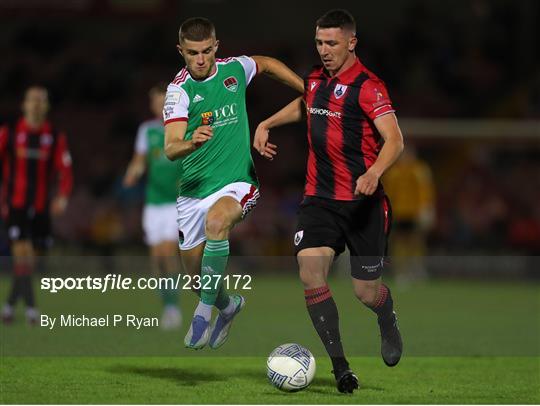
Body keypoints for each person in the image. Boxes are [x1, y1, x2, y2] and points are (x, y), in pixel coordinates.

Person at [254, 9, 404, 393]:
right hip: (319, 201)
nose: (324, 50)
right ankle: (341, 369)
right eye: (319, 42)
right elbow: (306, 105)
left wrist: (373, 173)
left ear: (352, 42)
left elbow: (395, 140)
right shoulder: (315, 80)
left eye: (332, 43)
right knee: (310, 272)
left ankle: (386, 314)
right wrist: (267, 123)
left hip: (362, 204)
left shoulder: (369, 86)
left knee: (365, 293)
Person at [163, 17, 303, 349]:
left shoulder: (234, 70)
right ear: (181, 51)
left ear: (216, 47)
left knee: (217, 221)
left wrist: (306, 88)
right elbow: (170, 148)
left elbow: (266, 64)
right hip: (193, 192)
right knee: (196, 279)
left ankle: (202, 315)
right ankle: (228, 306)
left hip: (237, 182)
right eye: (193, 53)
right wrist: (191, 142)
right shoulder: (178, 91)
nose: (200, 60)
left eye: (206, 51)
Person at [0, 86, 73, 325]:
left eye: (41, 100)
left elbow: (66, 170)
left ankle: (10, 306)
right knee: (23, 256)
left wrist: (62, 196)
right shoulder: (9, 133)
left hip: (41, 208)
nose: (36, 104)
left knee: (30, 260)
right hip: (16, 205)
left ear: (47, 106)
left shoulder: (53, 136)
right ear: (24, 104)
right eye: (32, 100)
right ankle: (31, 309)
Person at [123, 83, 183, 330]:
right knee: (156, 257)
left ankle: (173, 308)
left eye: (163, 102)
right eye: (156, 102)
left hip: (175, 202)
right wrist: (132, 173)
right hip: (153, 202)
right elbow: (139, 160)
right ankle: (165, 299)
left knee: (168, 253)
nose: (159, 106)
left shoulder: (182, 127)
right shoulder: (146, 130)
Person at [383, 146, 435, 283]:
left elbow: (425, 190)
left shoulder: (419, 170)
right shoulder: (394, 172)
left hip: (415, 213)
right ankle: (401, 271)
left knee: (416, 242)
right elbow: (389, 192)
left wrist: (426, 208)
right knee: (399, 242)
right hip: (399, 212)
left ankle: (416, 269)